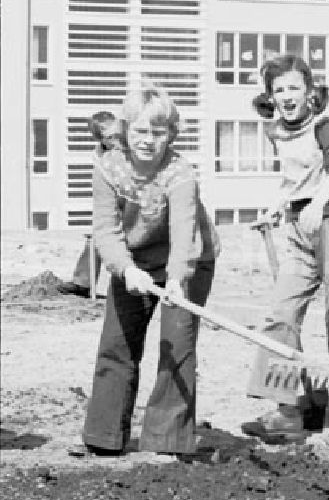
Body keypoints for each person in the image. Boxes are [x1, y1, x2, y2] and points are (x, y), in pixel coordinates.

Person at [240, 54, 329, 448]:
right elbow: (295, 179)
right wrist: (277, 208)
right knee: (280, 316)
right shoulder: (277, 130)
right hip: (296, 228)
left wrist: (318, 204)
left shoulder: (324, 126)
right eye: (278, 90)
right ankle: (292, 409)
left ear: (309, 94)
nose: (286, 96)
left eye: (293, 88)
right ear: (271, 96)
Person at [70, 87, 219, 457]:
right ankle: (104, 437)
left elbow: (185, 232)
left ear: (171, 133)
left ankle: (166, 441)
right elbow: (105, 230)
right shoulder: (109, 168)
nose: (148, 141)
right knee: (117, 344)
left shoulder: (179, 173)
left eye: (158, 132)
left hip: (188, 262)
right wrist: (125, 269)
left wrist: (176, 280)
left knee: (176, 345)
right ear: (125, 131)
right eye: (139, 131)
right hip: (134, 260)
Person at [58, 112, 126, 298]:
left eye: (117, 134)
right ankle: (83, 282)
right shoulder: (100, 156)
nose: (116, 140)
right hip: (117, 199)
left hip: (138, 199)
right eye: (110, 137)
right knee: (98, 236)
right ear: (100, 139)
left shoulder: (130, 144)